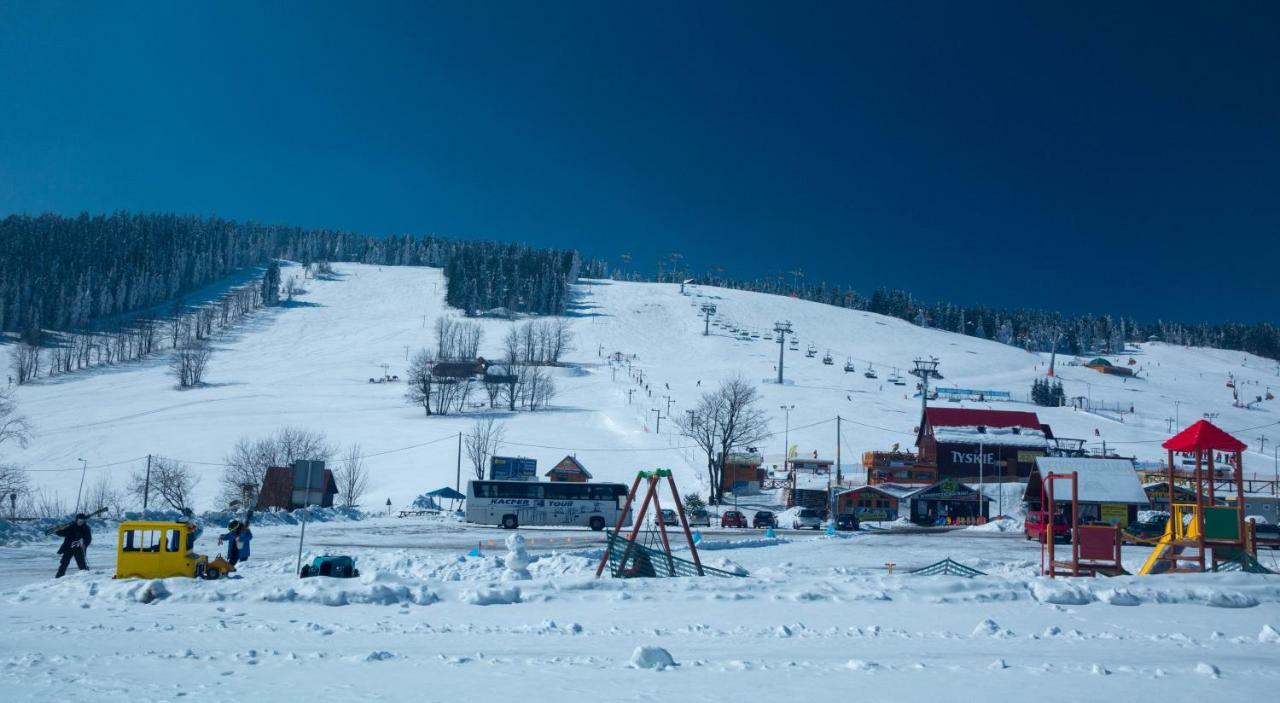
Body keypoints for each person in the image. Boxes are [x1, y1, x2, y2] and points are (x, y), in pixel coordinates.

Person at [54, 513, 92, 578]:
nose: (81, 522)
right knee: (64, 563)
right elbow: (62, 533)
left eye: (82, 521)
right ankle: (58, 577)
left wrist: (84, 544)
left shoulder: (86, 528)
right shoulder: (71, 527)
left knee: (81, 564)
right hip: (69, 548)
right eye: (79, 521)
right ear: (77, 520)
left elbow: (88, 538)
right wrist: (58, 530)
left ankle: (86, 577)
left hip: (79, 549)